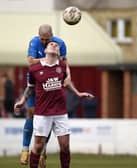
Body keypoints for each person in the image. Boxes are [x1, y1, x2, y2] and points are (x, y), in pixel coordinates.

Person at [14, 41, 94, 168]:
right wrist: (23, 101)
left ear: (58, 53)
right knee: (38, 146)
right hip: (42, 113)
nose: (54, 45)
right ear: (45, 50)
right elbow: (30, 88)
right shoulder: (34, 69)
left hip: (60, 112)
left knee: (65, 145)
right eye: (51, 44)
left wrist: (78, 93)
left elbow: (66, 84)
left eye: (57, 46)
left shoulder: (62, 66)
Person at [21, 24, 71, 167]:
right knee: (31, 113)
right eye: (42, 39)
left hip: (51, 83)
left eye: (46, 39)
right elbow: (30, 61)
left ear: (52, 36)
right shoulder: (34, 42)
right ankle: (25, 148)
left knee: (49, 114)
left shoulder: (60, 43)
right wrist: (49, 60)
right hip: (36, 81)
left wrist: (68, 77)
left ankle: (43, 150)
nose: (44, 42)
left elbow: (64, 63)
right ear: (38, 36)